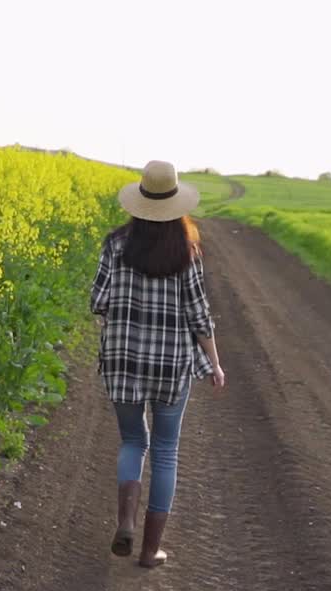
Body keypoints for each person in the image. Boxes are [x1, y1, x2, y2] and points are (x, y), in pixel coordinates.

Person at [89, 160, 226, 569]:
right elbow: (199, 316)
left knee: (134, 441)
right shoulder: (187, 250)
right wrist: (215, 364)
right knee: (165, 450)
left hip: (123, 359)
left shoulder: (116, 245)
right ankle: (150, 552)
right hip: (171, 365)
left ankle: (125, 522)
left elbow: (97, 301)